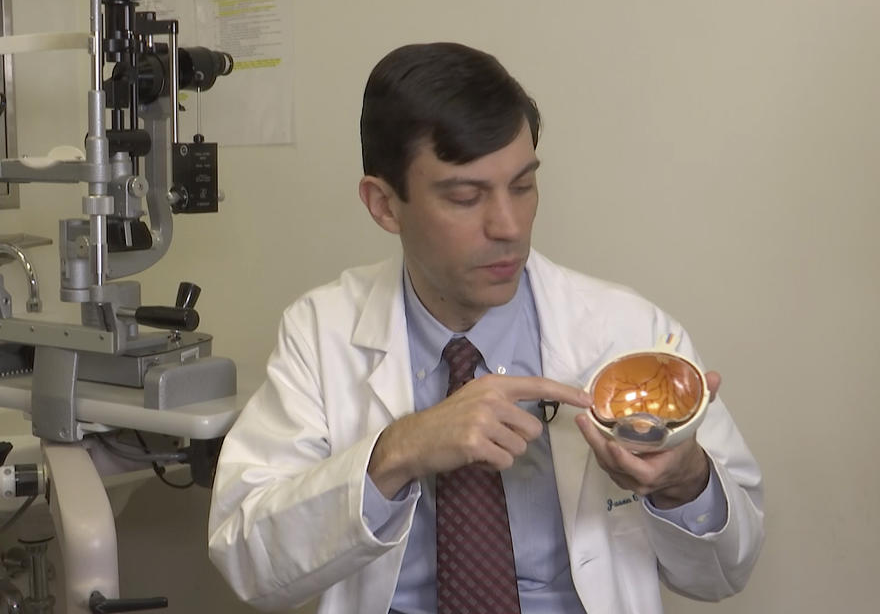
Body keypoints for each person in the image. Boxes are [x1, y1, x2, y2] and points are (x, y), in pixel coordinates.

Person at [208, 42, 764, 614]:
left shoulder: (629, 330)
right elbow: (248, 563)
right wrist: (398, 452)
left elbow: (727, 571)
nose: (509, 226)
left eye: (522, 187)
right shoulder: (320, 330)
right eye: (466, 196)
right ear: (384, 205)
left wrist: (685, 480)